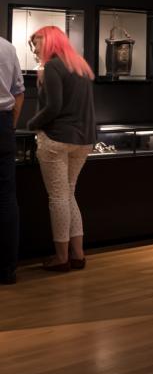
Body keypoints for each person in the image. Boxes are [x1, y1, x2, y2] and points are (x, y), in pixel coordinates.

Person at [25, 27, 96, 272]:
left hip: (56, 139)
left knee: (58, 197)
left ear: (49, 41)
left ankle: (61, 257)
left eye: (36, 43)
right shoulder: (80, 66)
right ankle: (78, 255)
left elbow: (53, 107)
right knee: (68, 194)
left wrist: (31, 124)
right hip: (83, 140)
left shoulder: (52, 67)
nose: (34, 49)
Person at [0, 34, 24, 284]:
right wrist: (11, 126)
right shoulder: (7, 47)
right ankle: (7, 270)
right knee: (6, 198)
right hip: (3, 125)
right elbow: (19, 92)